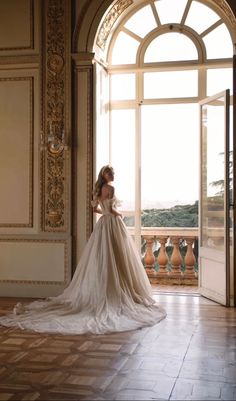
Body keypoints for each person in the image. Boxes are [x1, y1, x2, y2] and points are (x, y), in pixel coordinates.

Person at [0, 165, 166, 335]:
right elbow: (112, 208)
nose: (112, 175)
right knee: (115, 256)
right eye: (111, 173)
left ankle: (103, 288)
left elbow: (96, 209)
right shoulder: (111, 188)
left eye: (112, 173)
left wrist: (106, 212)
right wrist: (117, 214)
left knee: (102, 256)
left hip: (102, 224)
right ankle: (114, 290)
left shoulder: (98, 189)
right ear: (105, 174)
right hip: (112, 223)